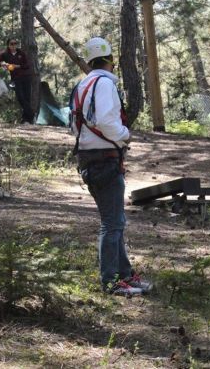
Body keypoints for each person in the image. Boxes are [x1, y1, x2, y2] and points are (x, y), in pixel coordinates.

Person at [69, 37, 152, 297]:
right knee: (112, 223)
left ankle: (125, 274)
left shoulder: (82, 84)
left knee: (115, 220)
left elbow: (74, 124)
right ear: (110, 60)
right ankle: (112, 280)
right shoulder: (104, 84)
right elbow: (106, 119)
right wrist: (124, 134)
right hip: (104, 159)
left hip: (91, 158)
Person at [0, 37, 34, 123]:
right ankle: (32, 114)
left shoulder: (21, 53)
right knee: (20, 97)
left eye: (15, 43)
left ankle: (27, 120)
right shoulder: (5, 54)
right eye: (12, 44)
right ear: (8, 45)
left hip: (26, 77)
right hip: (16, 79)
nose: (14, 45)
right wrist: (2, 64)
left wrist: (16, 66)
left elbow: (27, 65)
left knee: (27, 98)